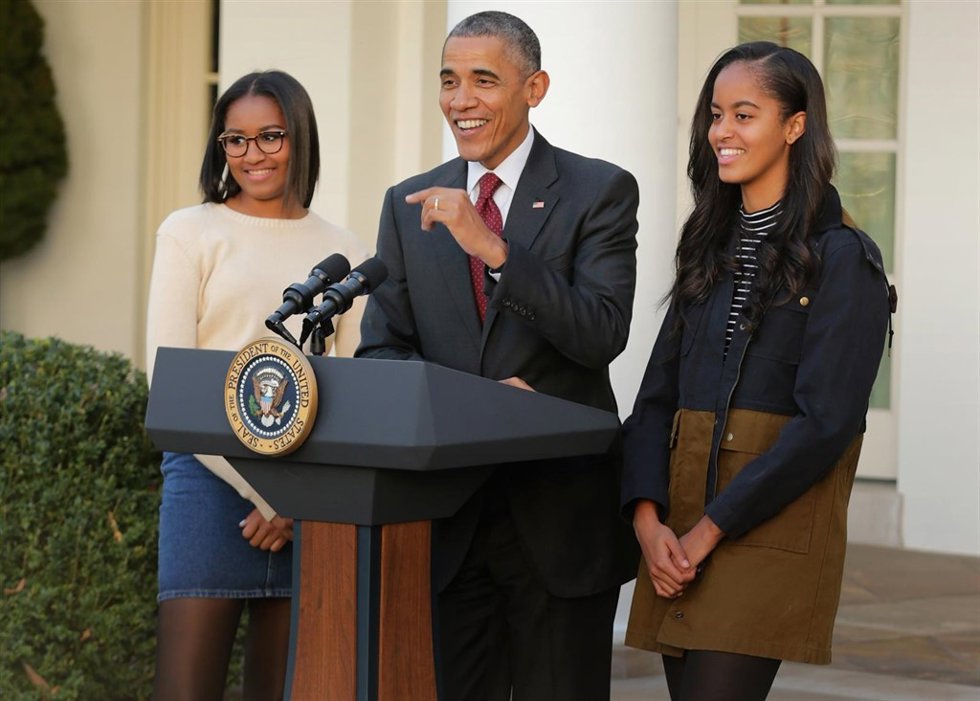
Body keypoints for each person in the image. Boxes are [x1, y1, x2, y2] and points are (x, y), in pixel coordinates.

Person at [356, 10, 640, 701]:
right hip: (449, 526)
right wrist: (464, 408)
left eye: (484, 80)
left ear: (534, 87)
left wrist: (497, 252)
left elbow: (603, 331)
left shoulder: (599, 191)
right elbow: (381, 353)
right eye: (449, 80)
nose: (461, 100)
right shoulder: (408, 204)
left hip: (559, 522)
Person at [620, 42, 893, 701]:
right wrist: (648, 520)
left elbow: (828, 420)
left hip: (765, 526)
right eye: (717, 114)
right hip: (681, 523)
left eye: (745, 114)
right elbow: (657, 397)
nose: (722, 132)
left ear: (795, 125)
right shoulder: (708, 243)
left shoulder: (844, 258)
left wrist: (712, 526)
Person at [145, 70, 368, 700]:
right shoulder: (190, 231)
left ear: (299, 137)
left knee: (283, 690)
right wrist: (262, 492)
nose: (252, 155)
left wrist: (294, 501)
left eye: (269, 136)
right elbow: (172, 381)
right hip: (207, 480)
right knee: (184, 690)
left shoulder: (341, 249)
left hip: (306, 502)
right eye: (234, 141)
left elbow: (349, 392)